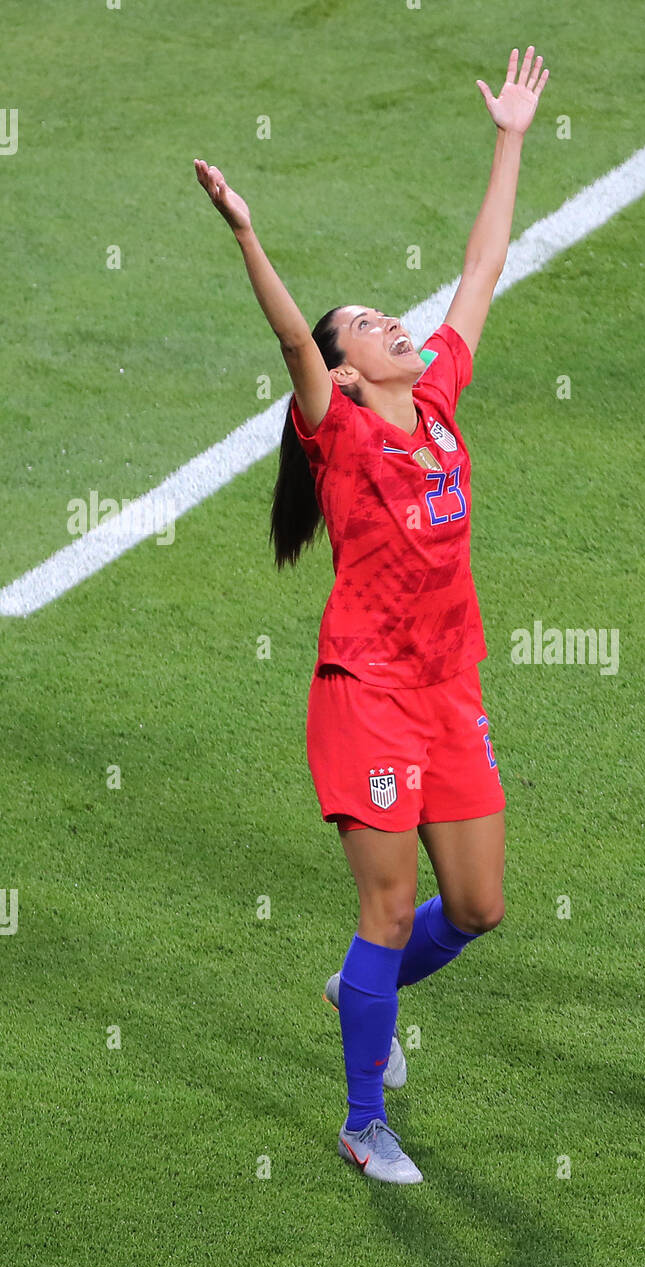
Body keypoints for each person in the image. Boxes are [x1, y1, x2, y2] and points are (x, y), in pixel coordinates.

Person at [194, 46, 549, 1185]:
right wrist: (248, 233)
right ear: (343, 373)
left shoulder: (437, 391)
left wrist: (509, 134)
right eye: (367, 326)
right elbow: (293, 340)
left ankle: (366, 991)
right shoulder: (339, 430)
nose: (392, 322)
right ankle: (362, 1120)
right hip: (368, 696)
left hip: (451, 689)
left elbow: (482, 263)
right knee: (388, 908)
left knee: (481, 904)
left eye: (389, 317)